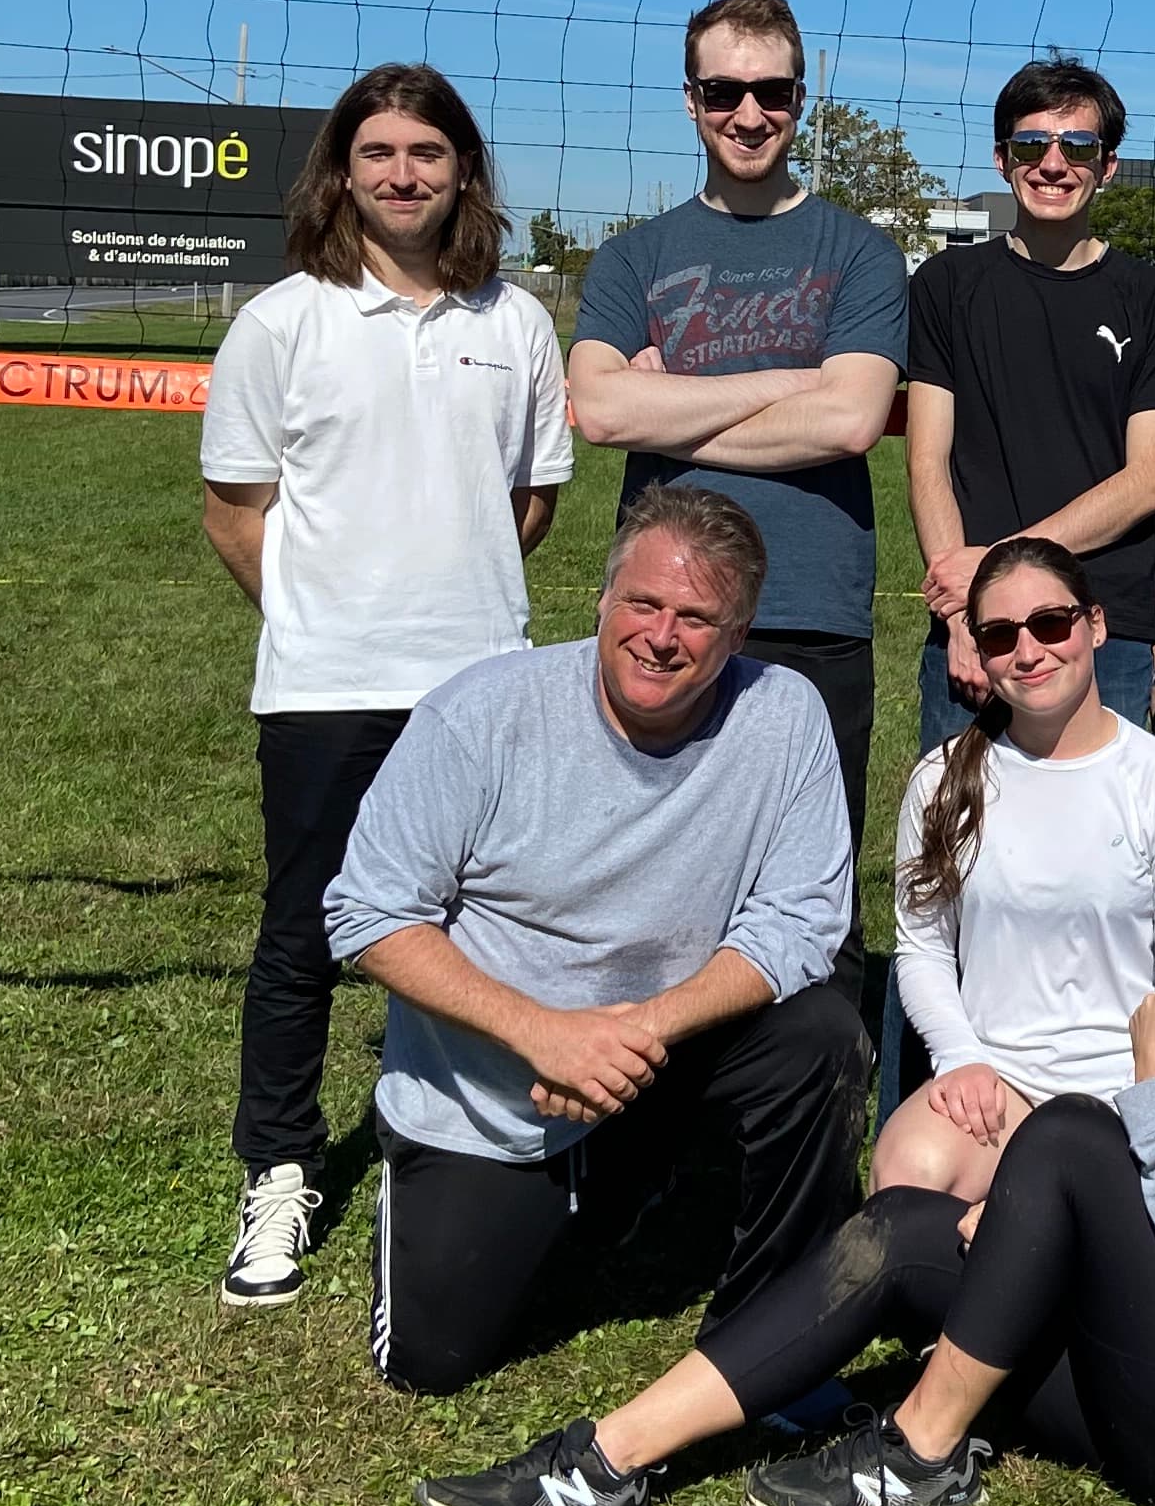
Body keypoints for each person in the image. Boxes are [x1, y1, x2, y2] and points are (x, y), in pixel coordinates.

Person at [416, 803, 1155, 1506]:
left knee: (1062, 1135)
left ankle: (923, 1452)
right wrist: (1028, 1224)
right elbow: (1151, 1204)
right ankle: (603, 1464)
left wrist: (1149, 1088)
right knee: (908, 1228)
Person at [328, 487, 871, 1394]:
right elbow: (369, 914)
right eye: (643, 604)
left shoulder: (785, 716)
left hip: (657, 1055)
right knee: (432, 1360)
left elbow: (803, 921)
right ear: (602, 599)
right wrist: (545, 1032)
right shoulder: (483, 714)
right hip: (499, 1086)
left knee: (820, 1037)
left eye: (696, 618)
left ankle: (771, 1322)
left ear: (738, 636)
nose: (662, 636)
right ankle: (480, 1182)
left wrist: (640, 1030)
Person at [198, 62, 572, 1311]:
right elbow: (235, 511)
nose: (403, 174)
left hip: (480, 684)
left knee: (492, 929)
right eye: (379, 154)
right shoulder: (281, 323)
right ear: (341, 173)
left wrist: (443, 604)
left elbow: (532, 504)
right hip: (324, 686)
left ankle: (473, 1148)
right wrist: (325, 614)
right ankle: (280, 1172)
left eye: (427, 152)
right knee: (306, 934)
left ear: (464, 170)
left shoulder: (514, 321)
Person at [566, 0, 909, 935]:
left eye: (773, 93)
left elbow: (848, 423)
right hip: (663, 610)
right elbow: (596, 408)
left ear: (803, 98)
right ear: (690, 99)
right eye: (724, 92)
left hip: (812, 613)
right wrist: (795, 379)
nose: (749, 115)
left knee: (812, 900)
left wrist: (663, 409)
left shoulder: (862, 252)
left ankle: (812, 1085)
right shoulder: (635, 257)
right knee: (645, 885)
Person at [868, 535, 1155, 1211]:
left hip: (1122, 1092)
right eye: (999, 636)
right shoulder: (942, 780)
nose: (1028, 652)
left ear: (1094, 625)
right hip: (996, 1083)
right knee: (904, 1176)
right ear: (976, 647)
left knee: (1051, 1225)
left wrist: (1145, 1103)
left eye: (1050, 624)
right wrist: (959, 1056)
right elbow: (921, 949)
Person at [905, 57, 1155, 748]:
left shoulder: (1154, 300)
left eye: (1079, 147)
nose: (1054, 164)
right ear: (1003, 158)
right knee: (957, 844)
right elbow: (927, 463)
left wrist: (995, 565)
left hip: (1104, 630)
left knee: (1103, 851)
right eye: (1033, 145)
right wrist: (966, 619)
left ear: (1109, 166)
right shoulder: (948, 286)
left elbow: (1147, 483)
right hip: (975, 630)